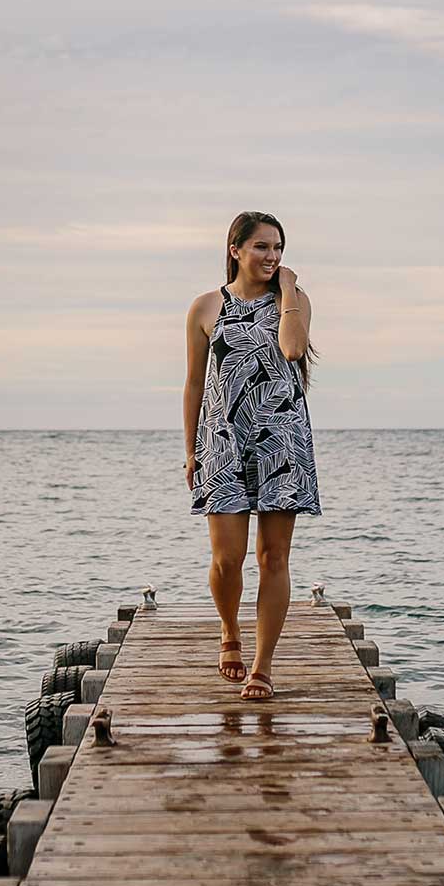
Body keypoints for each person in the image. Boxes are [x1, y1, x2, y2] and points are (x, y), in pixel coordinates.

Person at [183, 210, 321, 701]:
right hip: (222, 441)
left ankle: (263, 666)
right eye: (262, 247)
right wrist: (191, 452)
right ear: (235, 249)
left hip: (282, 439)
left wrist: (287, 290)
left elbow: (291, 348)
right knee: (226, 559)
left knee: (273, 557)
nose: (272, 256)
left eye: (279, 248)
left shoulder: (295, 300)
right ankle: (229, 632)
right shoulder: (204, 308)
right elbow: (195, 384)